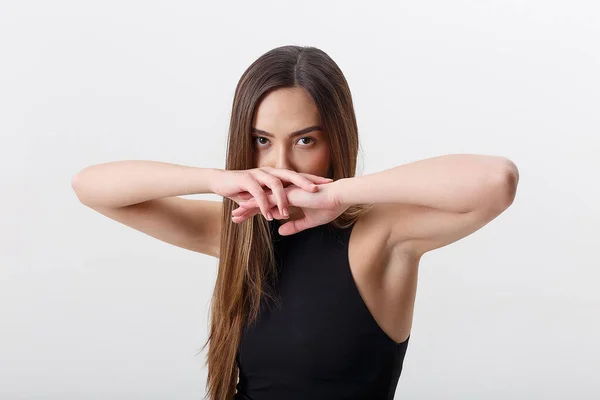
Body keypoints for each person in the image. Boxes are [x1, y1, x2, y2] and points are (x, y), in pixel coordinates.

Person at [71, 45, 519, 400]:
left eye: (305, 140)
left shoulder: (380, 239)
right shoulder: (237, 234)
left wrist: (338, 193)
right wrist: (214, 179)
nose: (279, 164)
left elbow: (494, 180)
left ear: (336, 139)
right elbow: (90, 186)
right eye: (261, 141)